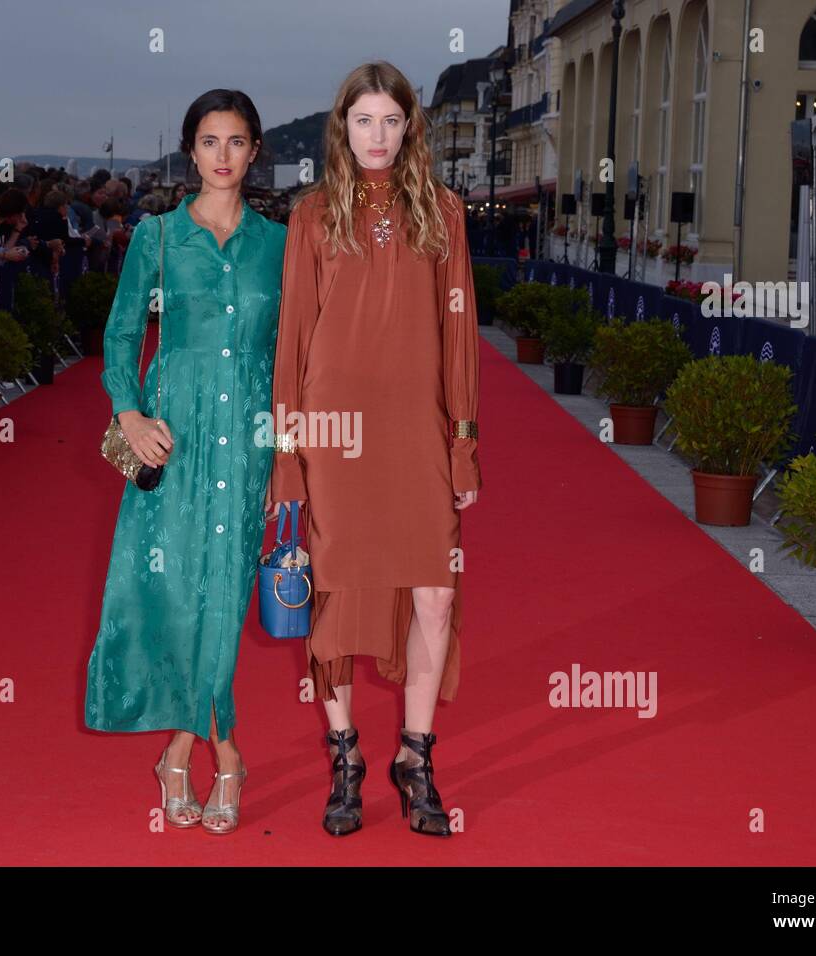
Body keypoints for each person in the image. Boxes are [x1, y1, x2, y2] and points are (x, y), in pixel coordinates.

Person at [270, 61, 481, 838]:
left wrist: (463, 445)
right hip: (332, 430)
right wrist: (286, 453)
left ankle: (416, 757)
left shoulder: (446, 215)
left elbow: (459, 341)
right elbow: (292, 340)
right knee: (334, 598)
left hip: (417, 430)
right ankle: (347, 757)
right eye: (365, 121)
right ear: (343, 127)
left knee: (436, 594)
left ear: (410, 127)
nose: (379, 135)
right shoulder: (313, 216)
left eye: (392, 121)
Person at [84, 89, 287, 835]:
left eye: (237, 141)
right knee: (172, 595)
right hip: (172, 441)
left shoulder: (280, 243)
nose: (223, 155)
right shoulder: (157, 238)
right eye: (209, 141)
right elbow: (118, 336)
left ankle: (198, 750)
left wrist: (289, 454)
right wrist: (129, 413)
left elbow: (294, 358)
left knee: (226, 597)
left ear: (255, 149)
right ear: (190, 150)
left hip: (251, 438)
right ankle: (213, 750)